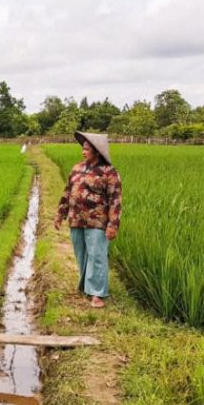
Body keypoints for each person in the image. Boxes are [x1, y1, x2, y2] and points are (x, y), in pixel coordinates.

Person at [54, 132, 122, 308]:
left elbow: (115, 200)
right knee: (81, 254)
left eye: (87, 149)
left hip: (97, 221)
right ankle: (86, 286)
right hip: (76, 220)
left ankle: (97, 294)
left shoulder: (109, 172)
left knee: (97, 256)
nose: (83, 152)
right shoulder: (77, 168)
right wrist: (60, 214)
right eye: (83, 148)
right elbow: (67, 192)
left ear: (97, 151)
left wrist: (113, 225)